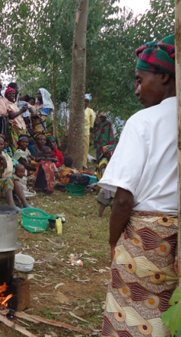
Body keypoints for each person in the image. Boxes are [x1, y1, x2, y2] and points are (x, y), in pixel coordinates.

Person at [99, 34, 178, 336]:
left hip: (148, 237)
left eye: (139, 79)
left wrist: (112, 242)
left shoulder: (143, 122)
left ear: (163, 76)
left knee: (132, 318)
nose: (136, 90)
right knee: (170, 315)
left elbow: (122, 199)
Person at [5, 87, 28, 151]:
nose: (12, 95)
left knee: (23, 143)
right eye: (10, 94)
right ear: (6, 95)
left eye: (13, 93)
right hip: (14, 127)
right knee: (15, 144)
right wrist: (22, 111)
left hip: (21, 126)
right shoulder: (7, 104)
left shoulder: (15, 104)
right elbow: (12, 116)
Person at [84, 94, 96, 167]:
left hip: (85, 132)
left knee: (85, 149)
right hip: (77, 133)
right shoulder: (77, 110)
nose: (85, 102)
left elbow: (91, 124)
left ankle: (84, 164)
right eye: (84, 101)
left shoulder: (90, 111)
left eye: (87, 101)